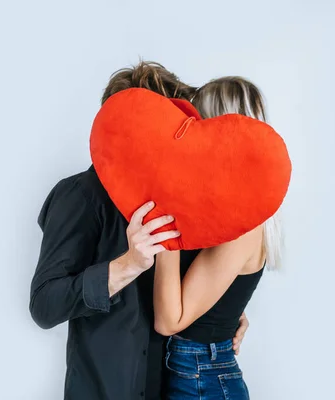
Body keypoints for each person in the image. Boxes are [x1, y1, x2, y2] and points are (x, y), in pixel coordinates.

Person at [29, 63, 249, 400]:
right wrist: (128, 265)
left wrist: (226, 314)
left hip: (177, 388)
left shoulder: (179, 198)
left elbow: (188, 280)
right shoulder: (79, 196)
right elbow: (44, 306)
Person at [153, 77, 283, 400]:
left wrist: (165, 213)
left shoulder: (245, 223)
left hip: (202, 379)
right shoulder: (227, 213)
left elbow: (170, 320)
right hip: (194, 372)